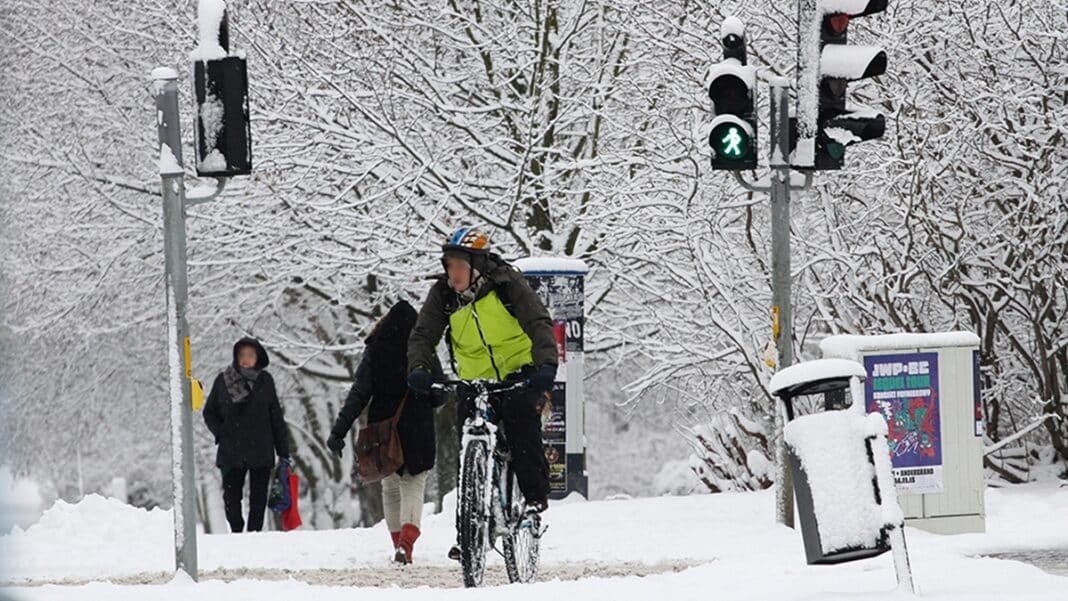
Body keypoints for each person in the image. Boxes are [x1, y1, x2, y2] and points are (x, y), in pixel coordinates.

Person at [406, 226, 557, 560]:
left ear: (477, 265)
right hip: (475, 379)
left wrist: (546, 365)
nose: (453, 273)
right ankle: (469, 533)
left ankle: (533, 499)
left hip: (520, 372)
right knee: (467, 443)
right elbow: (423, 335)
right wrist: (418, 368)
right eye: (449, 265)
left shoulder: (507, 285)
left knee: (520, 421)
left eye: (459, 266)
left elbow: (538, 321)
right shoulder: (443, 295)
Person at [326, 301, 443, 564]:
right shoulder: (422, 350)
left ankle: (397, 545)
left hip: (384, 430)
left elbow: (359, 394)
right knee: (413, 484)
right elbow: (440, 395)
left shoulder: (376, 349)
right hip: (418, 427)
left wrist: (339, 431)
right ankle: (406, 544)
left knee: (390, 488)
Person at [203, 337, 291, 533]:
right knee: (231, 498)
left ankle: (254, 535)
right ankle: (236, 531)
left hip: (261, 449)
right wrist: (221, 433)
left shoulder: (265, 381)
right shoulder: (223, 380)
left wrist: (283, 451)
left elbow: (276, 416)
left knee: (258, 498)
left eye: (250, 355)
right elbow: (209, 412)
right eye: (242, 355)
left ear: (258, 358)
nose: (245, 359)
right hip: (231, 451)